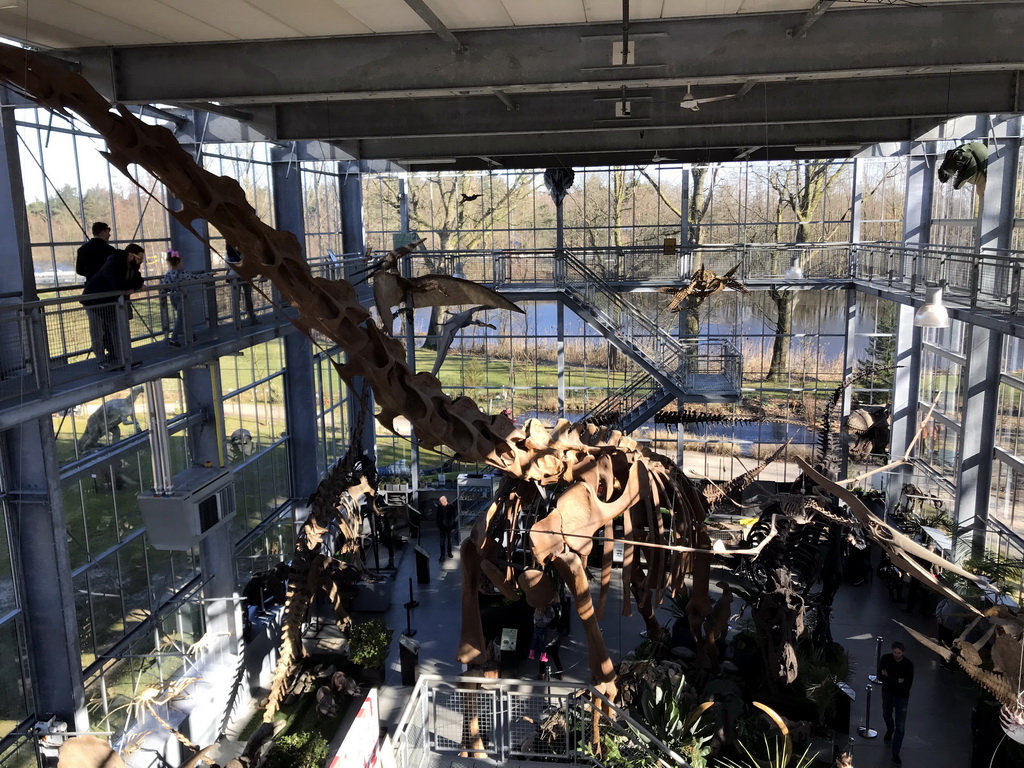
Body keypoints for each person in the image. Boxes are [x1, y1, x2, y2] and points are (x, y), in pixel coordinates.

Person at [81, 243, 145, 370]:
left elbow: (139, 281)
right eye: (139, 259)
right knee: (97, 333)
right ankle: (101, 361)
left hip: (109, 303)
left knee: (117, 331)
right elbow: (118, 284)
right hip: (93, 301)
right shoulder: (114, 262)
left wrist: (132, 286)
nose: (140, 263)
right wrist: (131, 286)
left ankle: (123, 360)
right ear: (130, 256)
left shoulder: (131, 267)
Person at [878, 640, 913, 765]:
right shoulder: (886, 659)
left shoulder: (908, 665)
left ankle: (895, 752)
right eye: (894, 652)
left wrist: (889, 678)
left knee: (901, 726)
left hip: (901, 697)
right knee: (886, 714)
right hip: (888, 693)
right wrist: (897, 680)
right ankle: (889, 729)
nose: (896, 655)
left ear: (903, 653)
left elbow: (907, 685)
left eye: (899, 653)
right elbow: (880, 676)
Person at [160, 250, 203, 347]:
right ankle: (174, 340)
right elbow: (195, 278)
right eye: (182, 261)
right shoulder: (183, 273)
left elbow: (164, 287)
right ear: (178, 262)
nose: (183, 263)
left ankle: (190, 335)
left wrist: (162, 298)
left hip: (173, 297)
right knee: (181, 318)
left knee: (183, 317)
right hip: (182, 297)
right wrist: (208, 275)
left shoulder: (168, 274)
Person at [225, 244, 257, 324]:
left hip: (235, 274)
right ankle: (251, 317)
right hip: (244, 274)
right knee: (247, 298)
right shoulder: (242, 247)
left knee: (236, 298)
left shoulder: (230, 249)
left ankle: (237, 320)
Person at [435, 495, 457, 562]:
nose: (440, 503)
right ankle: (442, 555)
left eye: (440, 502)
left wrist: (454, 527)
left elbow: (455, 517)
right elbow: (437, 516)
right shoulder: (439, 507)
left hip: (449, 526)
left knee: (449, 540)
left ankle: (449, 553)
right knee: (442, 541)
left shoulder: (451, 507)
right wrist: (438, 525)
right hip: (442, 526)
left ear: (444, 501)